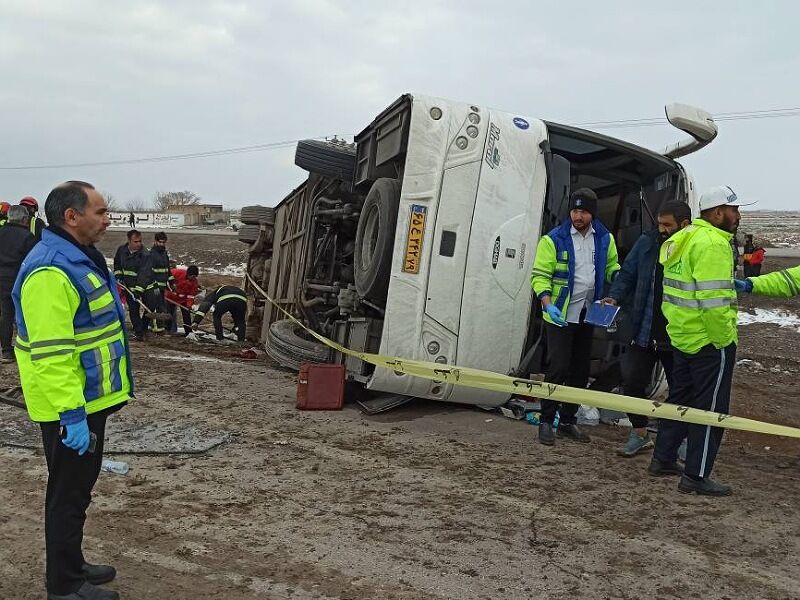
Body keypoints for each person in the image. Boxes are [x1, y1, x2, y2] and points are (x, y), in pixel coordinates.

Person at [13, 181, 130, 599]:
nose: (107, 218)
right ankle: (63, 586)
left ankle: (73, 564)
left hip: (87, 401)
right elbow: (52, 353)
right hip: (70, 408)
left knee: (78, 491)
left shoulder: (78, 257)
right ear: (72, 216)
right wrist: (72, 414)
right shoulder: (50, 270)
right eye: (100, 211)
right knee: (67, 494)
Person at [651, 185, 754, 497]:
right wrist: (724, 341)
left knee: (680, 399)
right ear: (718, 212)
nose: (738, 215)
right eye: (734, 209)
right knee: (710, 409)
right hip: (710, 342)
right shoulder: (712, 244)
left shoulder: (683, 239)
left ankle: (663, 458)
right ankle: (696, 475)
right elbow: (714, 301)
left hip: (682, 336)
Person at [531, 188, 620, 446]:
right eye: (574, 210)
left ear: (592, 212)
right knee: (558, 367)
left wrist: (617, 280)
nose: (578, 216)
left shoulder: (604, 238)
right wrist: (547, 304)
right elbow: (539, 275)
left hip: (587, 313)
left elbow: (612, 266)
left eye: (583, 211)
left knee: (580, 370)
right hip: (559, 314)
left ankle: (568, 421)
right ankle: (547, 420)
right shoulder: (554, 239)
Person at [604, 200, 692, 457]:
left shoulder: (694, 247)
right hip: (643, 331)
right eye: (659, 224)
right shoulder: (647, 242)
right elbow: (627, 274)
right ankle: (640, 433)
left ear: (684, 224)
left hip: (676, 335)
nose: (662, 229)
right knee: (632, 383)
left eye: (668, 225)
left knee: (682, 390)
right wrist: (614, 297)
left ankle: (682, 441)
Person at [0, 206, 37, 362]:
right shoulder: (28, 237)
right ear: (24, 219)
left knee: (5, 315)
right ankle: (26, 348)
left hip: (1, 278)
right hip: (18, 280)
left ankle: (6, 351)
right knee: (24, 314)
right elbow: (32, 261)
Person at [113, 229, 154, 342]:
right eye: (135, 241)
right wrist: (119, 276)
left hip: (143, 287)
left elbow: (144, 274)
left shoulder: (145, 254)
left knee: (149, 308)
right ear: (129, 241)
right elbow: (117, 264)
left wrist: (138, 290)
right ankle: (138, 332)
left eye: (140, 241)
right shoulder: (121, 250)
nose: (139, 244)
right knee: (133, 310)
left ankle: (144, 328)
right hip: (128, 286)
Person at [147, 232, 173, 333]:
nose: (162, 244)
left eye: (163, 242)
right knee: (156, 307)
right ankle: (156, 328)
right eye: (160, 242)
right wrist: (154, 285)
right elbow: (150, 272)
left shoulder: (164, 254)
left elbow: (167, 270)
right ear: (155, 241)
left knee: (160, 307)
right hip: (155, 287)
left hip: (162, 287)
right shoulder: (152, 255)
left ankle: (155, 327)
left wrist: (172, 282)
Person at [165, 265, 200, 335]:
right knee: (169, 315)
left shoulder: (194, 283)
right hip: (170, 298)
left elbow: (191, 296)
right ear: (188, 274)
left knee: (186, 315)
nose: (193, 278)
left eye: (195, 277)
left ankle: (189, 333)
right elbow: (166, 277)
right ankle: (168, 331)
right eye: (192, 276)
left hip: (183, 301)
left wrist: (189, 305)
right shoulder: (177, 273)